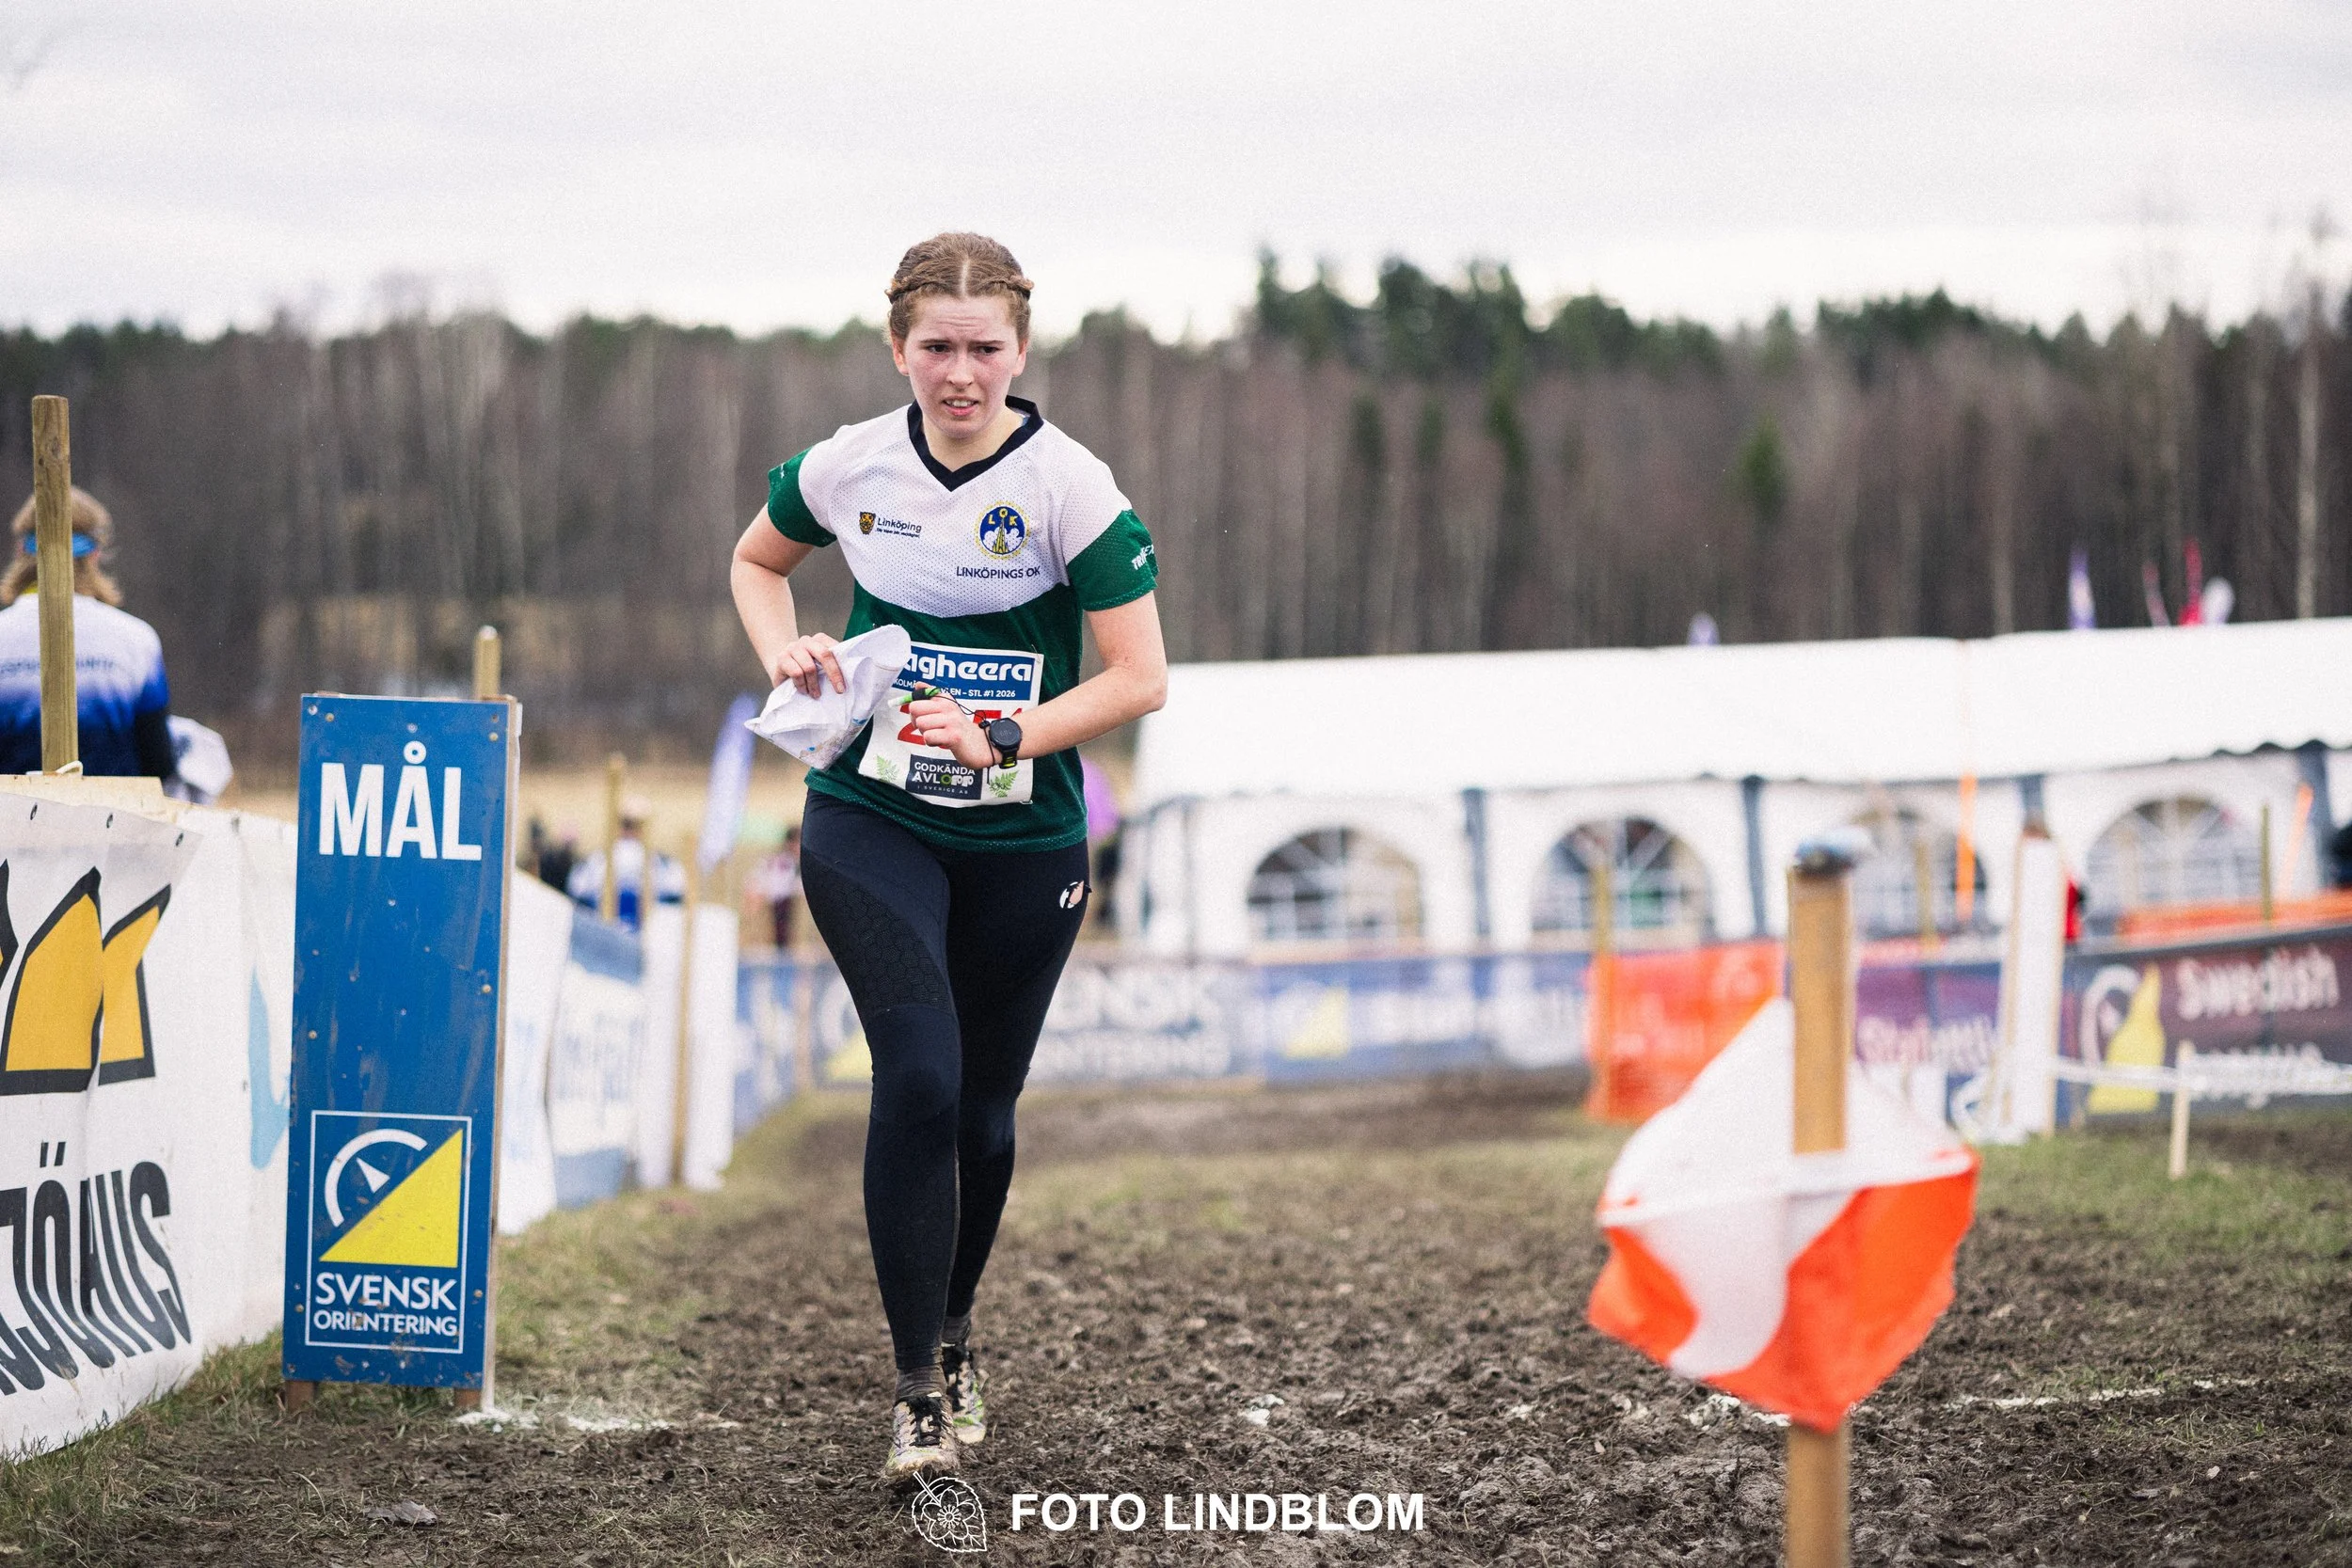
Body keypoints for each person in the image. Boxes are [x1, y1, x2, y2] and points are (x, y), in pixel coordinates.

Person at [730, 233, 1167, 1485]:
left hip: (1026, 840)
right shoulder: (848, 463)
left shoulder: (1071, 486)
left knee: (982, 1105)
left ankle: (961, 1324)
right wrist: (784, 648)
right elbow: (759, 560)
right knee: (917, 1075)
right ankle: (917, 1386)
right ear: (898, 348)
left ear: (1021, 352)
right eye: (937, 347)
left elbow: (1141, 678)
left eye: (985, 348)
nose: (961, 373)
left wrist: (1009, 732)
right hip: (874, 814)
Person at [0, 486, 177, 781]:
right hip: (114, 822)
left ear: (22, 550)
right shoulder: (136, 640)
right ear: (95, 553)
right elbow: (158, 764)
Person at [565, 797, 686, 929]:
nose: (631, 831)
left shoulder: (594, 862)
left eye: (635, 825)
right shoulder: (596, 861)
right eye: (627, 825)